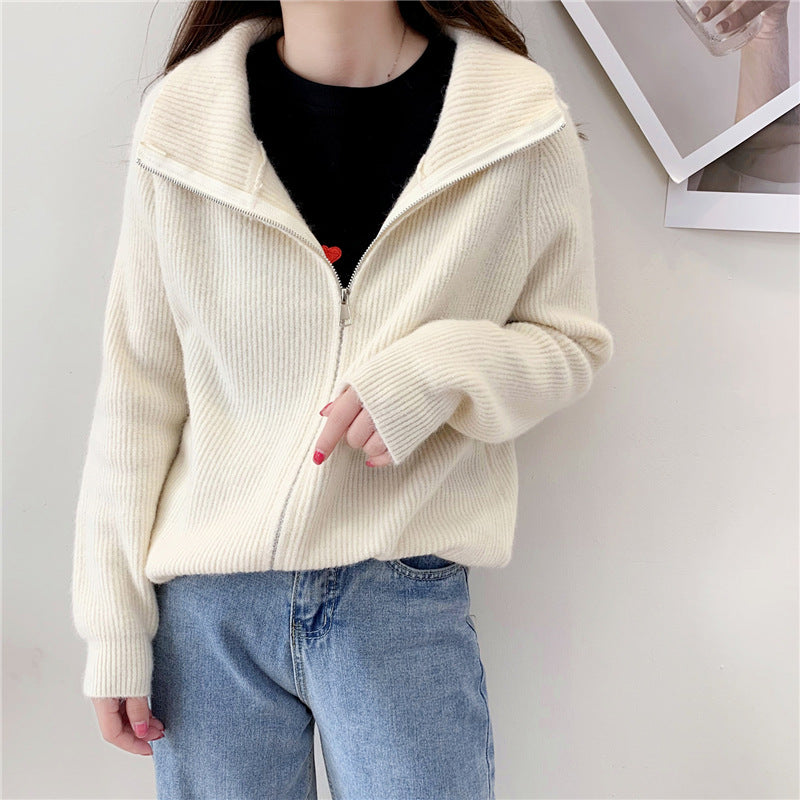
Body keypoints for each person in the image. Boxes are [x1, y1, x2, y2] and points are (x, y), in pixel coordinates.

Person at [70, 1, 615, 797]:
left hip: (399, 593)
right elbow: (137, 393)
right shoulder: (184, 123)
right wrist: (114, 626)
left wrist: (434, 371)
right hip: (208, 614)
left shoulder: (517, 118)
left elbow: (569, 345)